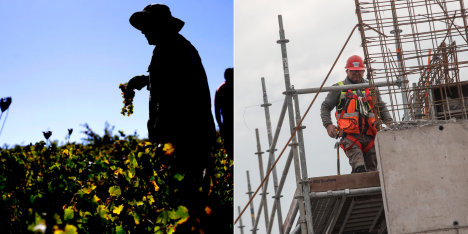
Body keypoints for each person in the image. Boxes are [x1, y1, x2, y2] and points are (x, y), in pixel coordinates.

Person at [126, 4, 218, 233]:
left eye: (147, 27)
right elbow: (168, 80)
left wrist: (160, 138)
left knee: (185, 206)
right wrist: (144, 80)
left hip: (184, 139)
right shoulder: (176, 47)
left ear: (160, 26)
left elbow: (174, 95)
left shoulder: (171, 49)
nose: (143, 32)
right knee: (192, 203)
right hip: (191, 137)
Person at [320, 55, 393, 173]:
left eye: (359, 72)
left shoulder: (371, 87)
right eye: (353, 72)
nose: (356, 74)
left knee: (372, 171)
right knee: (359, 168)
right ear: (347, 71)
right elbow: (325, 107)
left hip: (370, 136)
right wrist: (328, 125)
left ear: (363, 71)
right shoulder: (338, 88)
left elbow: (380, 106)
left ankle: (368, 191)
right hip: (350, 137)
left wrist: (389, 122)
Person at [214, 68, 233, 159]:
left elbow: (217, 109)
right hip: (228, 124)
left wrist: (220, 124)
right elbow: (217, 109)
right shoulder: (222, 89)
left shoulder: (221, 89)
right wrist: (220, 125)